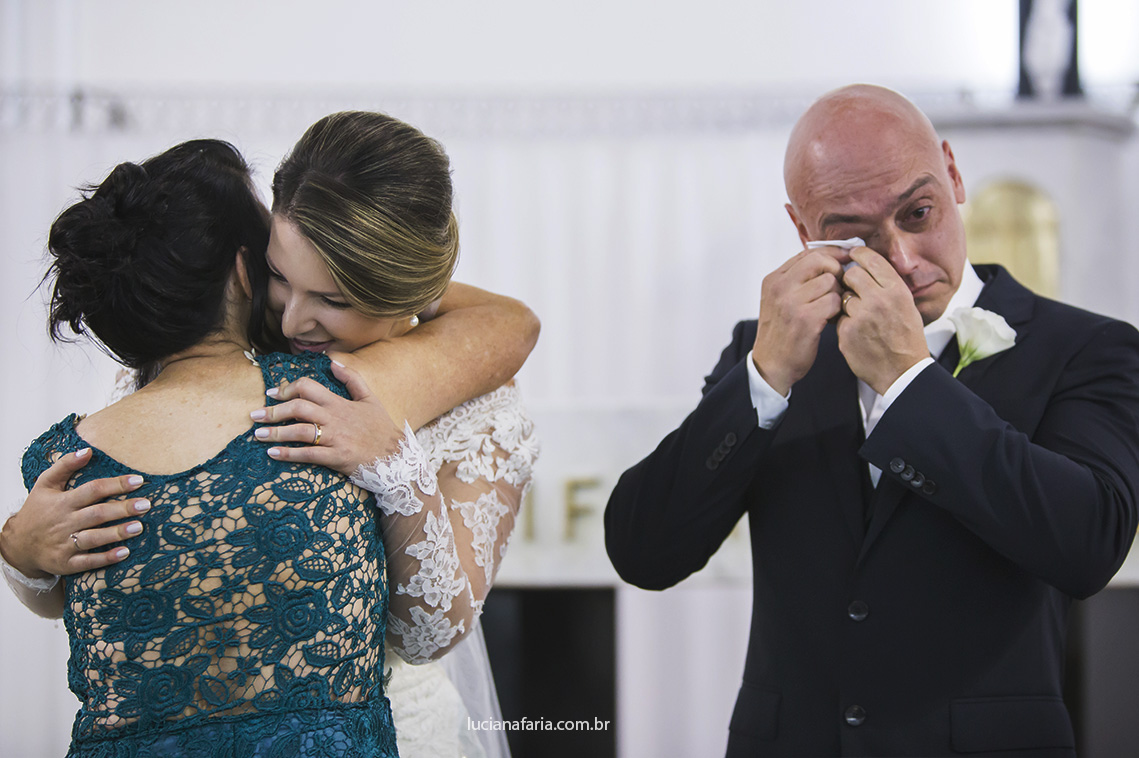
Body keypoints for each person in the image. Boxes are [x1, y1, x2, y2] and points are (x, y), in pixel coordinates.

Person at [604, 84, 1139, 757]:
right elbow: (643, 551)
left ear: (951, 172)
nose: (904, 260)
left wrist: (907, 381)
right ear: (803, 231)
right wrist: (764, 379)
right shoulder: (767, 347)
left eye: (918, 212)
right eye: (854, 235)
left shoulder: (1086, 348)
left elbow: (1087, 544)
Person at [4, 122, 535, 755]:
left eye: (331, 298)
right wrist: (21, 549)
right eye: (279, 275)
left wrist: (395, 466)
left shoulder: (485, 403)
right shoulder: (225, 352)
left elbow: (427, 634)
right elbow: (103, 563)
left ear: (402, 292)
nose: (290, 319)